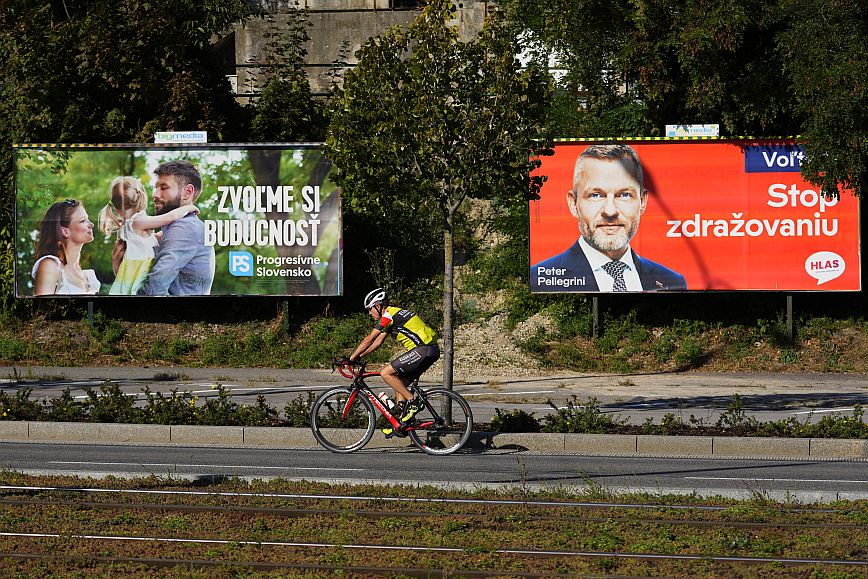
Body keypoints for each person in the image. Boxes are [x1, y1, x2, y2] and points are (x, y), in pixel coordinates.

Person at [530, 143, 687, 292]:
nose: (610, 211)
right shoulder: (539, 278)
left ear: (642, 202)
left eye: (624, 195)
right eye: (596, 195)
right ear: (573, 204)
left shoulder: (671, 281)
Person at [349, 288, 440, 437]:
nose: (369, 313)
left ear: (378, 305)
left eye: (370, 309)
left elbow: (369, 339)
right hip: (430, 350)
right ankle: (402, 423)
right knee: (399, 383)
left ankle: (413, 402)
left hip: (423, 349)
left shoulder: (388, 314)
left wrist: (351, 358)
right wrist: (361, 356)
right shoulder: (395, 314)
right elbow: (377, 342)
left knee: (385, 372)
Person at [98, 176, 200, 295]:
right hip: (139, 280)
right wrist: (189, 207)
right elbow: (170, 217)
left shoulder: (129, 227)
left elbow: (152, 239)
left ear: (116, 207)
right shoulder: (138, 222)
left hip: (129, 279)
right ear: (140, 197)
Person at [129, 160, 215, 295]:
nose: (155, 195)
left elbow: (153, 290)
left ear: (187, 192)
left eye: (163, 188)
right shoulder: (183, 227)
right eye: (156, 187)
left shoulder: (184, 228)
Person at [31, 199, 101, 296]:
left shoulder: (87, 276)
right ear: (65, 231)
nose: (91, 225)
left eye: (87, 219)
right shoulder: (50, 266)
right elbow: (41, 309)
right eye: (83, 221)